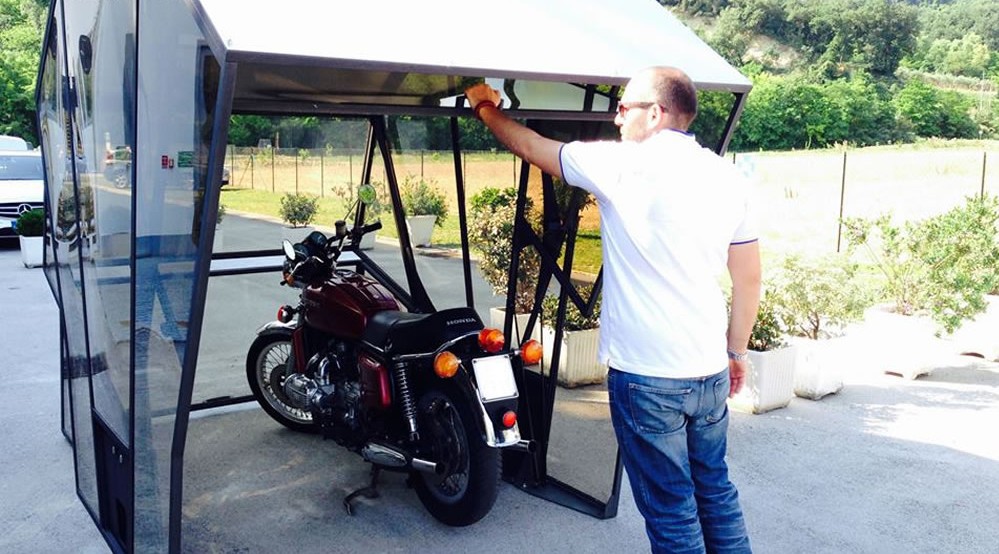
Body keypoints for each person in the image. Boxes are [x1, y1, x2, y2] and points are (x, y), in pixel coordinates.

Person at [465, 66, 760, 554]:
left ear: (656, 113)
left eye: (624, 108)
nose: (617, 118)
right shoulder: (729, 177)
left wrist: (485, 107)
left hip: (648, 377)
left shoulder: (619, 164)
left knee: (671, 509)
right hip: (708, 372)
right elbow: (748, 278)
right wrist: (737, 352)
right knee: (716, 492)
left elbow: (530, 146)